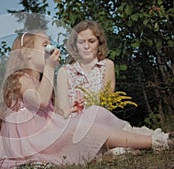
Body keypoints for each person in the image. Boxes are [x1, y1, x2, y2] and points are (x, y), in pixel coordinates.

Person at [0, 30, 169, 169]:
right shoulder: (20, 79)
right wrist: (50, 67)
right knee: (88, 129)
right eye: (44, 45)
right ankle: (157, 142)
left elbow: (46, 113)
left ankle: (140, 136)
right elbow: (40, 102)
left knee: (94, 112)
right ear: (27, 54)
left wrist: (68, 112)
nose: (50, 48)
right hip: (33, 144)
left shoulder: (40, 80)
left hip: (47, 135)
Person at [56, 20, 172, 157]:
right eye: (81, 42)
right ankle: (157, 141)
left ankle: (159, 140)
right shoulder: (65, 71)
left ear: (99, 43)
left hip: (102, 121)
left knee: (103, 117)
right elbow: (62, 111)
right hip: (77, 128)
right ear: (74, 45)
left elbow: (107, 103)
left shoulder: (107, 65)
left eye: (91, 41)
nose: (86, 46)